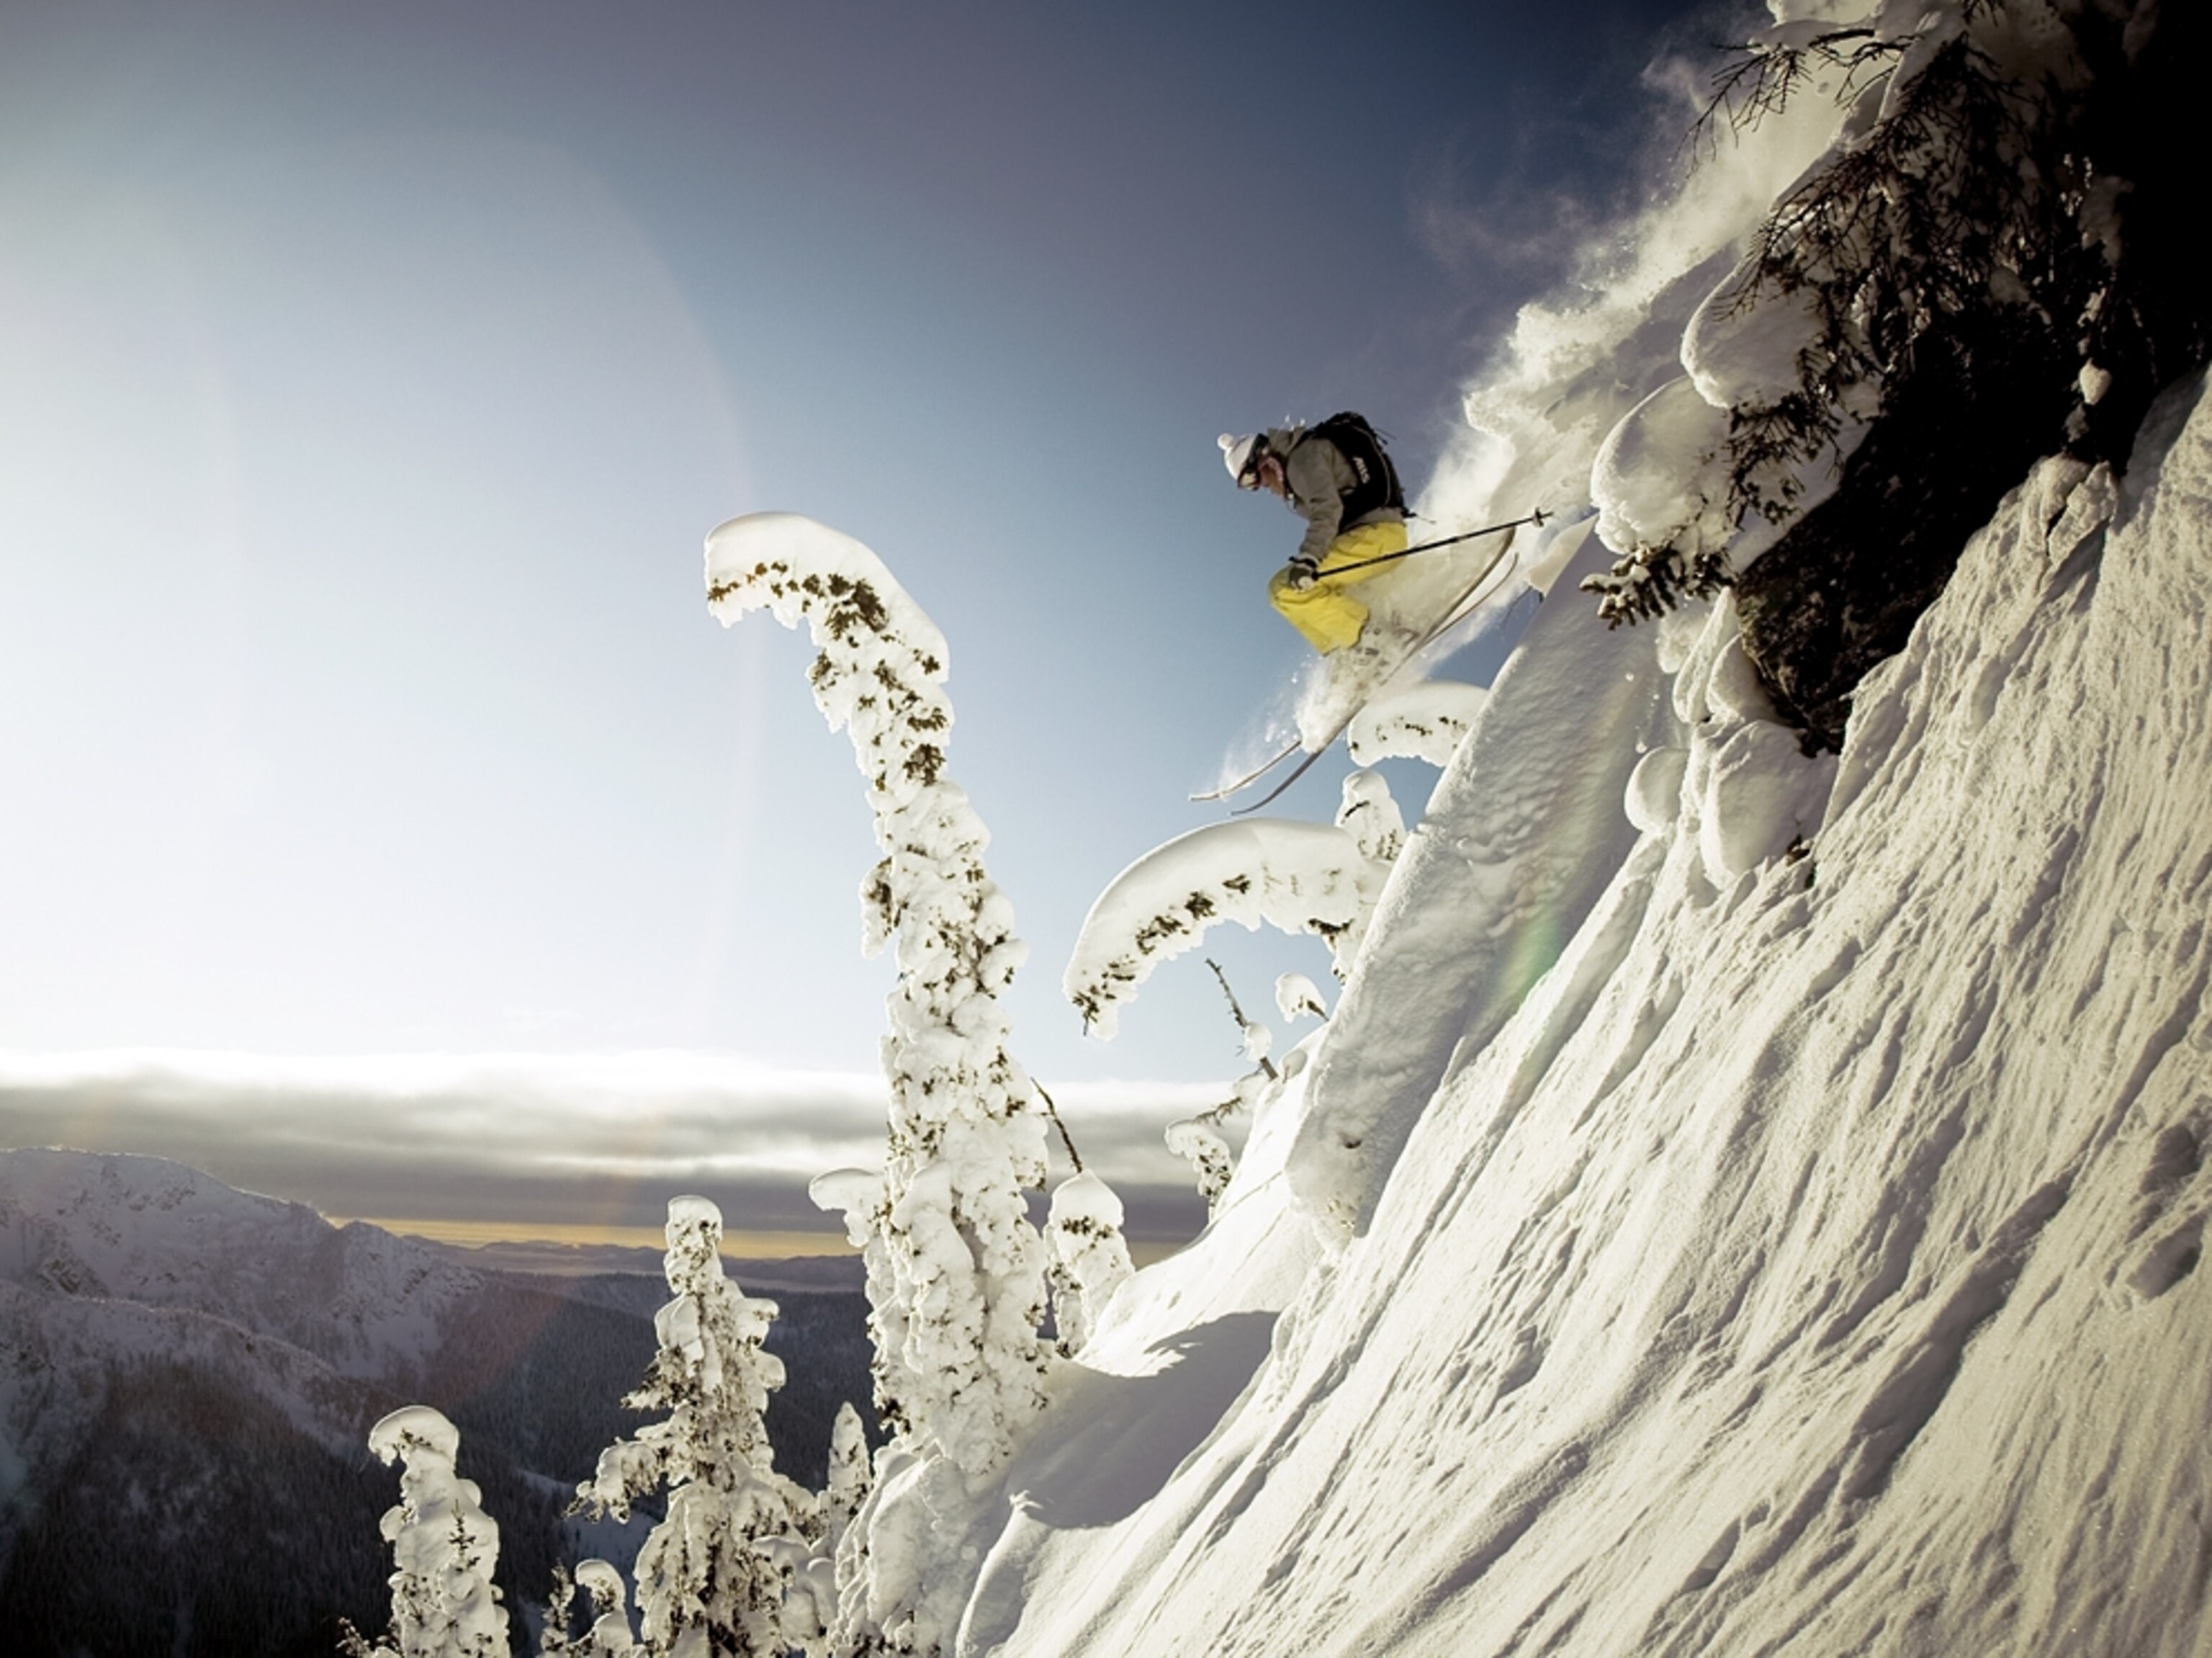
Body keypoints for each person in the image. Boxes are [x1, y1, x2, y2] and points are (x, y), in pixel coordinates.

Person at [1220, 414, 1408, 654]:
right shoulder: (1303, 462)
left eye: (1252, 478)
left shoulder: (1302, 460)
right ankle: (1345, 652)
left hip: (1375, 539)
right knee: (1296, 591)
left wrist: (1308, 559)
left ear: (1264, 459)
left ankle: (1374, 639)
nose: (1260, 486)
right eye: (1249, 486)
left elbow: (1327, 510)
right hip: (1378, 539)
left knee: (1285, 590)